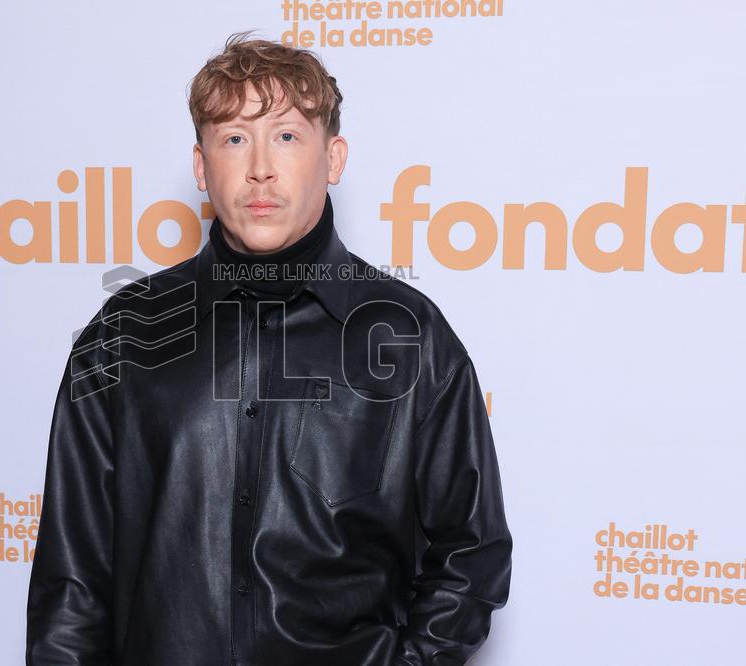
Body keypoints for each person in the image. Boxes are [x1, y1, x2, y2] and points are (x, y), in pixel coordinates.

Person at [26, 31, 512, 666]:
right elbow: (72, 583)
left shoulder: (406, 337)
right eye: (234, 139)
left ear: (333, 158)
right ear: (201, 166)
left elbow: (471, 557)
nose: (260, 167)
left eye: (286, 136)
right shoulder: (125, 334)